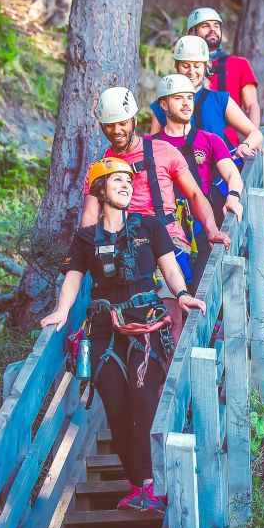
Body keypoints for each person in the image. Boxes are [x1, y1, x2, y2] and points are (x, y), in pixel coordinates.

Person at [41, 157, 206, 512]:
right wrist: (62, 311)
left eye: (129, 181)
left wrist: (182, 295)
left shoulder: (150, 226)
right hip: (104, 330)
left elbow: (170, 267)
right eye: (117, 180)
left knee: (143, 400)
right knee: (116, 407)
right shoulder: (86, 238)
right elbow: (73, 278)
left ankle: (151, 484)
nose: (126, 185)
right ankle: (137, 484)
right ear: (100, 190)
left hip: (146, 323)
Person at [81, 86, 230, 342]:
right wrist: (83, 256)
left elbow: (195, 195)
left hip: (165, 239)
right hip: (122, 243)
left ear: (134, 120)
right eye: (109, 126)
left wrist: (212, 229)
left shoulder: (164, 152)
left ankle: (173, 370)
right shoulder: (99, 169)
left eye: (122, 124)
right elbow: (89, 218)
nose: (116, 132)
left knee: (169, 310)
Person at [151, 72, 246, 282]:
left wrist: (232, 196)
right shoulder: (149, 145)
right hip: (165, 229)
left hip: (204, 225)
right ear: (163, 105)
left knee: (203, 288)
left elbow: (232, 173)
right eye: (178, 98)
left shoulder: (209, 140)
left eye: (190, 97)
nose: (186, 104)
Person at [149, 36, 264, 157]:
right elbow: (153, 147)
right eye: (185, 66)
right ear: (177, 66)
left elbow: (255, 134)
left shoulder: (220, 100)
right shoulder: (163, 104)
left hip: (221, 172)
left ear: (205, 67)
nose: (192, 72)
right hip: (179, 172)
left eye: (197, 66)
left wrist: (245, 145)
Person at [187, 7, 261, 147]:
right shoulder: (186, 69)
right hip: (189, 144)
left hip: (227, 146)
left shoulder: (239, 64)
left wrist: (253, 138)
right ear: (192, 32)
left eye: (216, 26)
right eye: (205, 26)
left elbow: (252, 105)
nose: (212, 29)